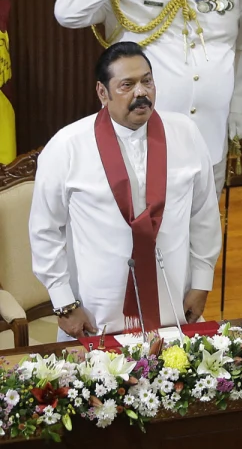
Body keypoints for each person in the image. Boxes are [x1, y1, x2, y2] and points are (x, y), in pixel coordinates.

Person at [54, 0, 242, 193]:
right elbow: (66, 13)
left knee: (205, 230)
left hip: (209, 135)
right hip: (144, 140)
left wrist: (238, 107)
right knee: (148, 231)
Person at [29, 42, 221, 340]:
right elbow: (45, 230)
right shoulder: (66, 146)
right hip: (96, 316)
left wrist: (202, 283)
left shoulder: (186, 133)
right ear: (102, 93)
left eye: (147, 81)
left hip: (175, 307)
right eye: (127, 85)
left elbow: (204, 215)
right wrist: (65, 304)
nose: (141, 93)